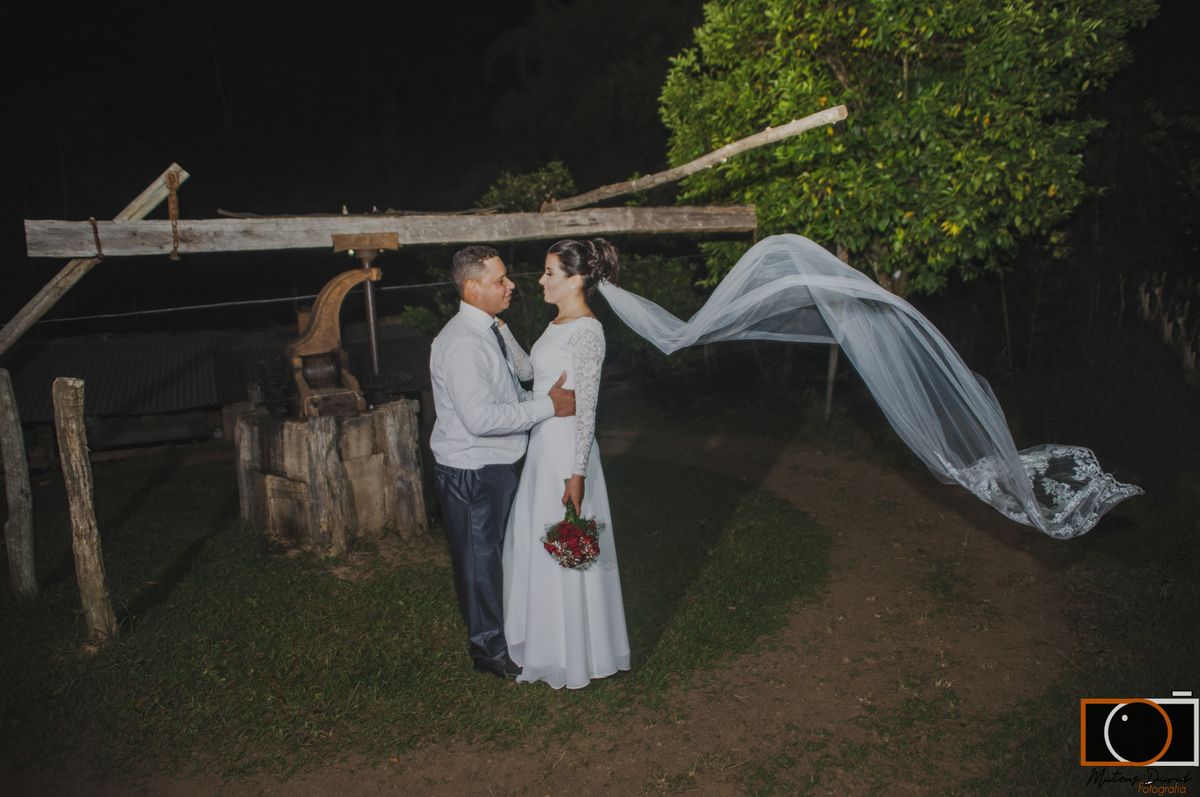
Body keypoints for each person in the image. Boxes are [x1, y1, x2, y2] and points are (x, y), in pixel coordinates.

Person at [429, 245, 575, 679]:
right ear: (472, 288)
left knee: (496, 558)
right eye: (499, 280)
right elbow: (479, 419)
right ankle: (489, 653)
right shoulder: (460, 343)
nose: (511, 285)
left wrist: (502, 330)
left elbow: (518, 381)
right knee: (479, 565)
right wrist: (548, 407)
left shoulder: (487, 330)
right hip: (470, 472)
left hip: (494, 468)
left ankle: (505, 635)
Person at [502, 238, 631, 689]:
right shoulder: (558, 323)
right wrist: (499, 331)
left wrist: (577, 474)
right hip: (543, 446)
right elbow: (532, 376)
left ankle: (577, 653)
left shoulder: (587, 332)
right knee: (536, 542)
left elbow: (587, 409)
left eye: (549, 273)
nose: (541, 280)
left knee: (567, 546)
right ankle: (547, 643)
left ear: (574, 280)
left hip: (566, 454)